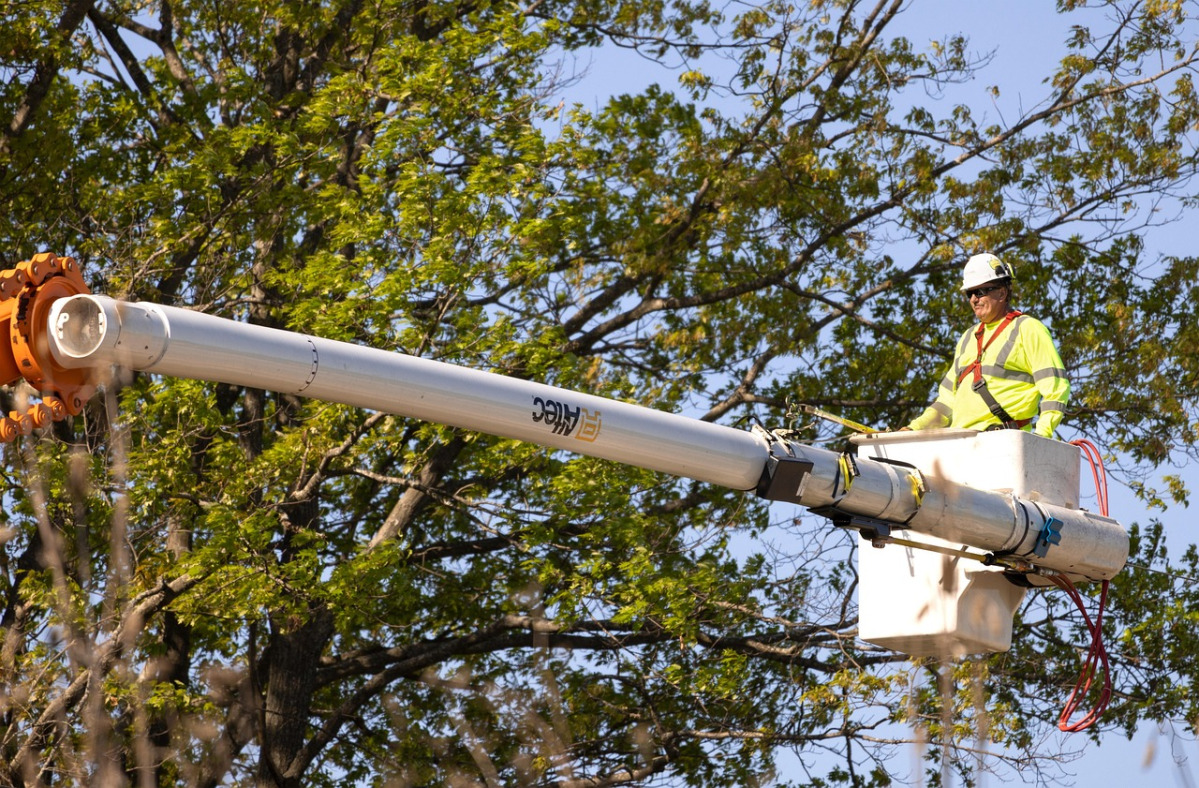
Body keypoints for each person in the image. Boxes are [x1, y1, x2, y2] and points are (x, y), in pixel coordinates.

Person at [905, 253, 1070, 438]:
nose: (974, 299)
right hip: (961, 444)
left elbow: (1056, 388)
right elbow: (946, 401)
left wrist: (1041, 437)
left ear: (1002, 292)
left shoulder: (1028, 329)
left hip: (1003, 442)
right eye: (970, 293)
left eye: (980, 292)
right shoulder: (968, 338)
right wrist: (914, 428)